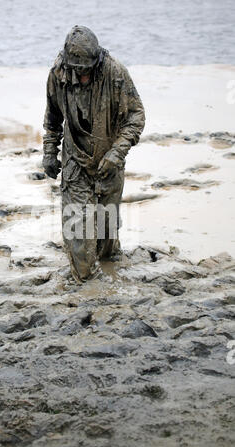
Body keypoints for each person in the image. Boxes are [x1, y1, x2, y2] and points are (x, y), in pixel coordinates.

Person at [42, 25, 145, 283]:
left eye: (87, 70)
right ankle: (87, 283)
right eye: (77, 70)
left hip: (109, 160)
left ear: (96, 62)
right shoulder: (58, 74)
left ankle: (110, 271)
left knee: (106, 236)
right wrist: (49, 152)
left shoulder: (115, 73)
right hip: (75, 158)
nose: (82, 75)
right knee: (77, 230)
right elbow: (53, 119)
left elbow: (136, 117)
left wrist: (117, 153)